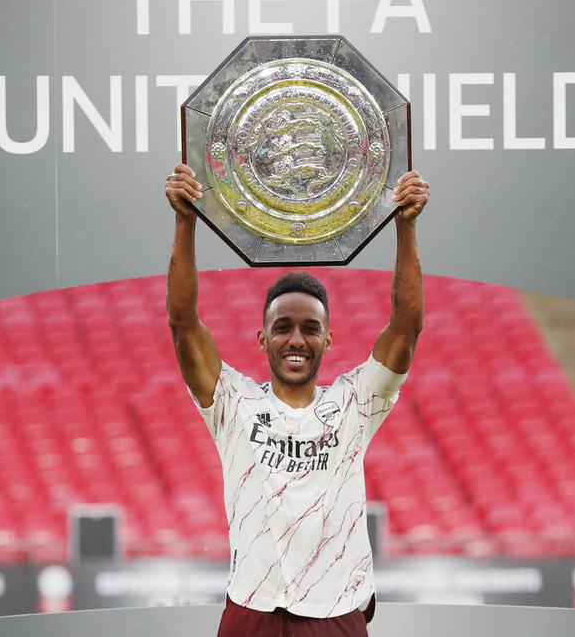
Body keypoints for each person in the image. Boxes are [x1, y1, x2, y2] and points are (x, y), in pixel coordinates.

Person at [164, 162, 429, 637]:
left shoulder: (355, 404)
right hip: (253, 611)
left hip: (336, 612)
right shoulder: (233, 403)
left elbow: (406, 328)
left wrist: (406, 226)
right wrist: (185, 222)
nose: (296, 339)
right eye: (282, 327)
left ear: (327, 341)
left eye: (310, 329)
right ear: (262, 339)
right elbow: (183, 323)